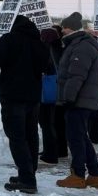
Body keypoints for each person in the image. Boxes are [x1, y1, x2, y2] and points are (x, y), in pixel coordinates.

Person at [0, 15, 47, 194]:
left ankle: (27, 179)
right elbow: (46, 65)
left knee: (17, 137)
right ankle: (28, 173)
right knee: (31, 135)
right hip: (33, 96)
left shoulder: (9, 39)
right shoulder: (39, 42)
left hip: (12, 95)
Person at [56, 12, 98, 189]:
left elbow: (76, 75)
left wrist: (68, 97)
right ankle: (95, 173)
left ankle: (78, 174)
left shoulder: (81, 46)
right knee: (81, 137)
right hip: (81, 99)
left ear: (71, 28)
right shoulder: (78, 44)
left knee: (75, 138)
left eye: (64, 27)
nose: (62, 30)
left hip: (78, 100)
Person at [38, 27, 68, 164]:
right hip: (60, 91)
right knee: (58, 122)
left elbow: (46, 68)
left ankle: (50, 153)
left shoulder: (48, 50)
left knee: (47, 122)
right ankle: (60, 150)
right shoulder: (62, 48)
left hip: (49, 92)